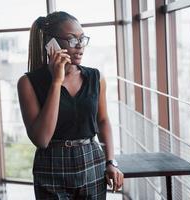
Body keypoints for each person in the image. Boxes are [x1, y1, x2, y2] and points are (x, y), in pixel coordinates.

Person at [17, 11, 124, 200]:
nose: (80, 46)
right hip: (51, 164)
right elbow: (41, 139)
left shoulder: (95, 77)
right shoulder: (28, 83)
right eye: (72, 39)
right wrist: (56, 82)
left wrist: (110, 162)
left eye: (82, 39)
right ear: (51, 43)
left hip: (91, 160)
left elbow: (103, 120)